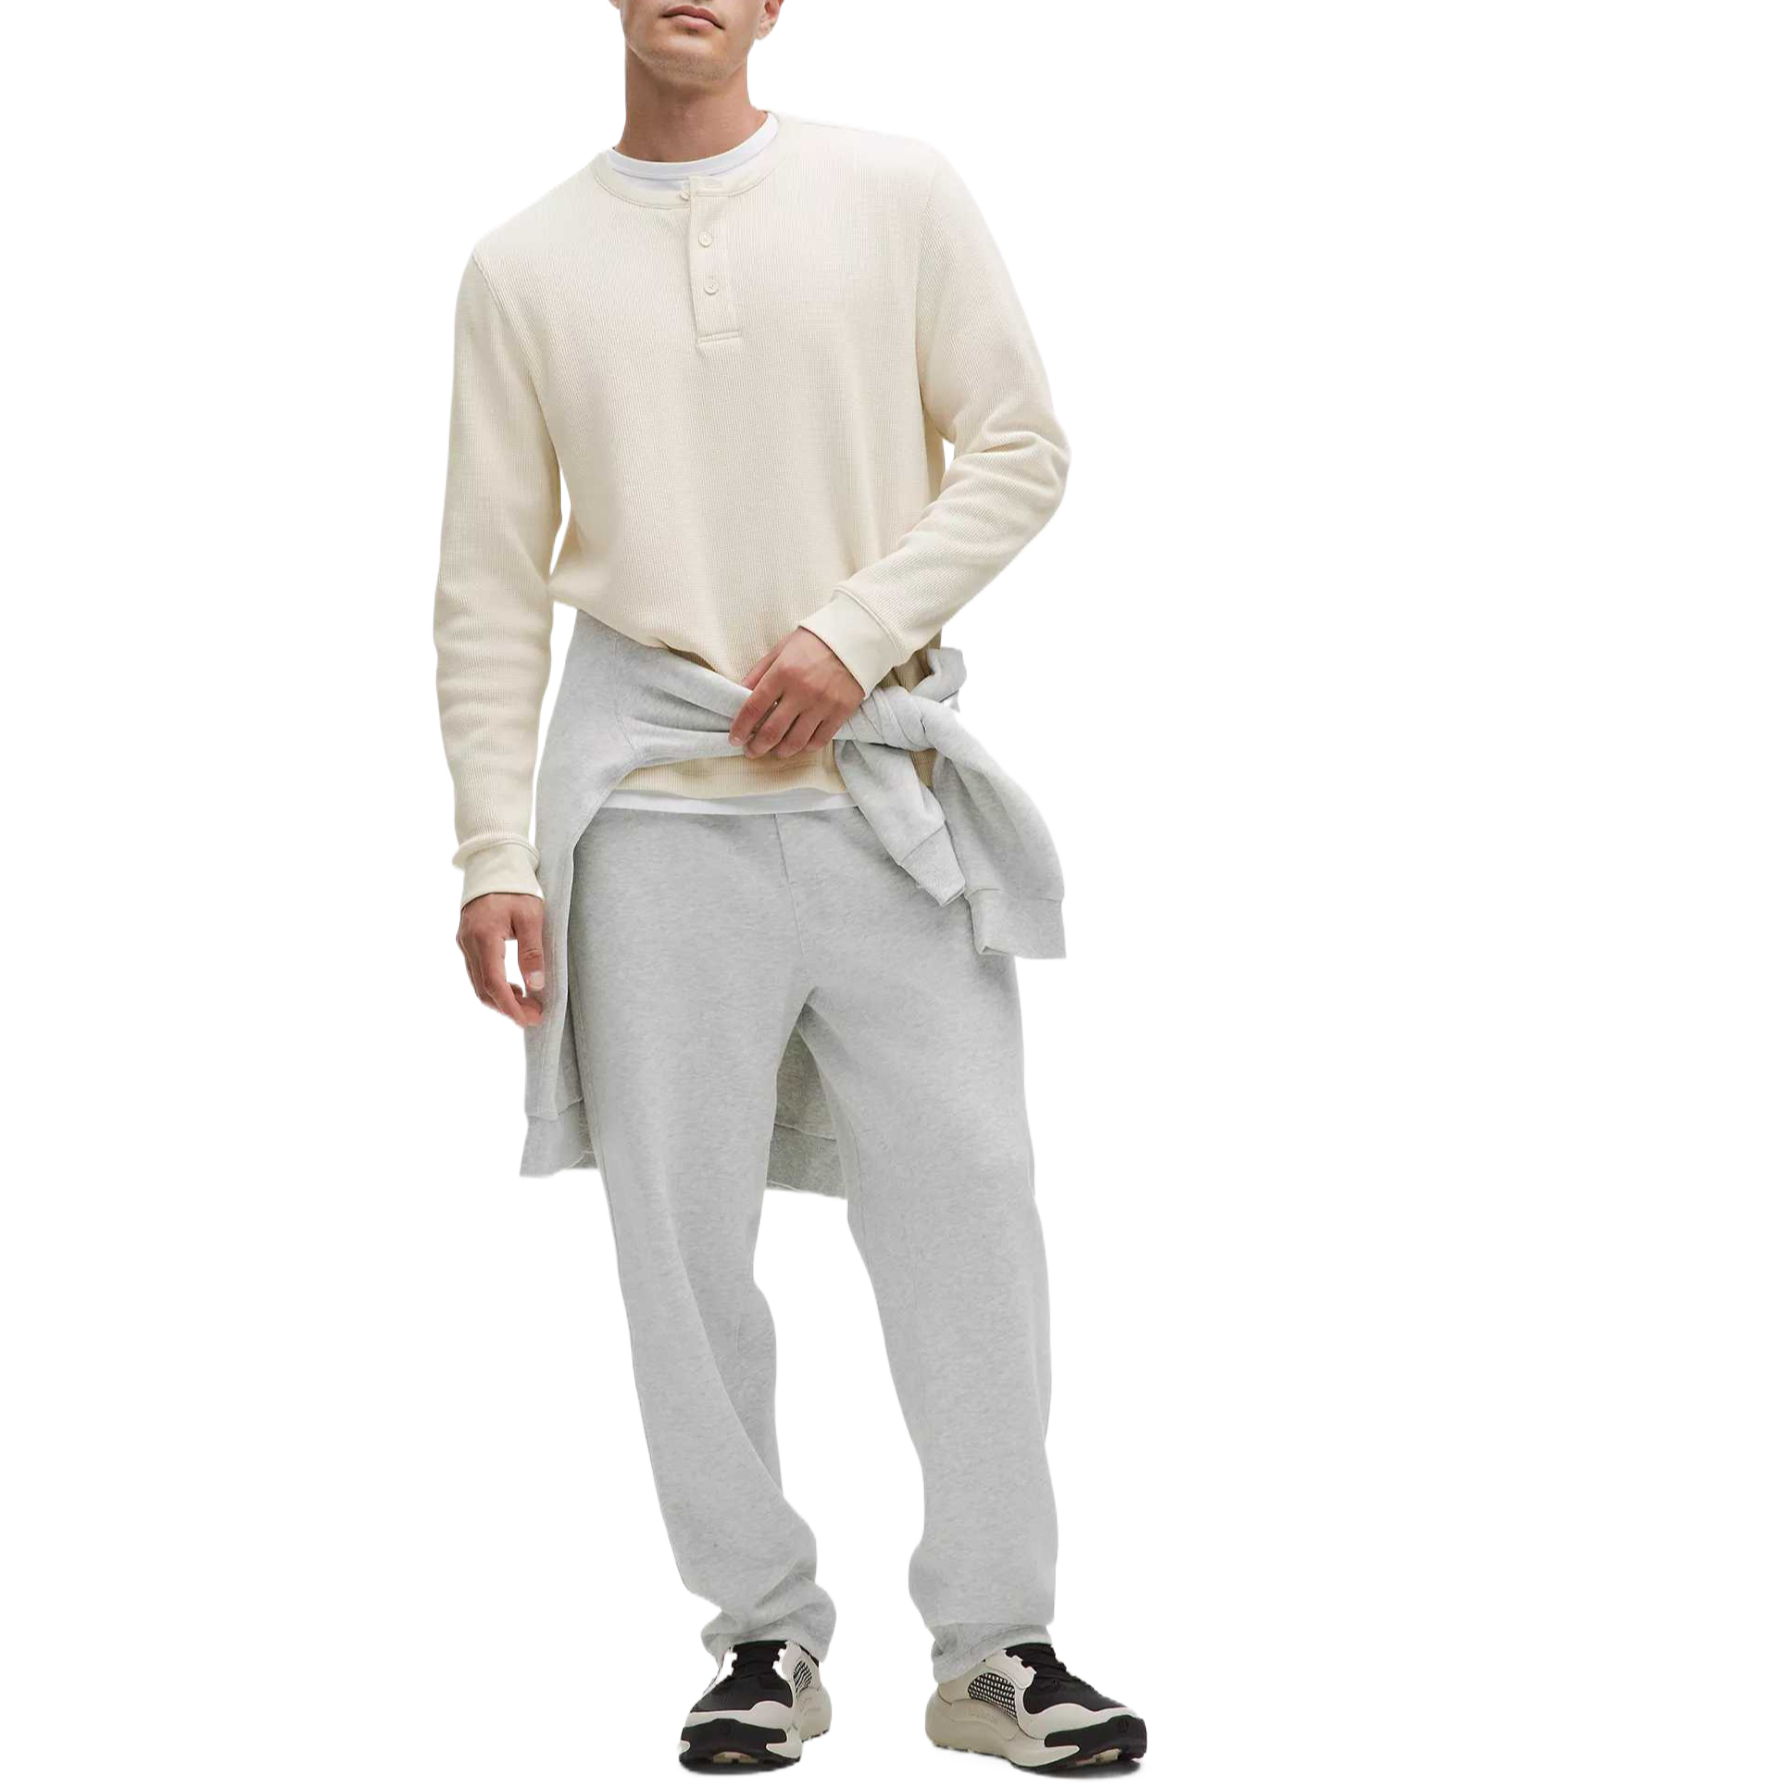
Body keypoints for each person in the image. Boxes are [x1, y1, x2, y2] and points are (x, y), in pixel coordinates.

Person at [432, 0, 1146, 1771]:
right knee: (678, 1242)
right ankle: (759, 1635)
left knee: (971, 1205)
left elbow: (1021, 446)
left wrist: (853, 629)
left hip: (879, 793)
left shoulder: (895, 192)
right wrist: (493, 850)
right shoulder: (521, 265)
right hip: (648, 816)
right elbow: (489, 581)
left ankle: (996, 1645)